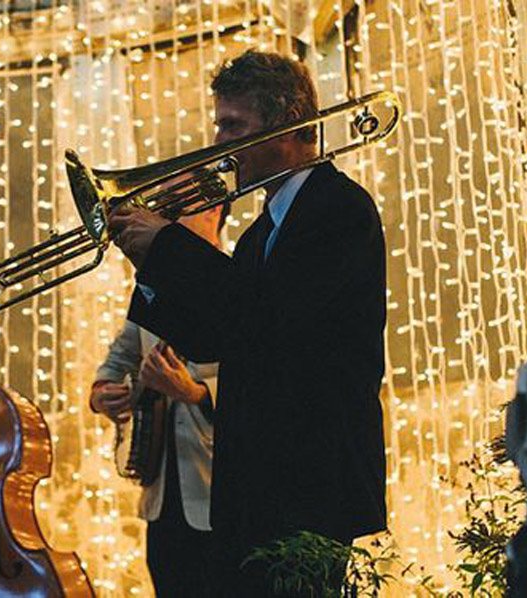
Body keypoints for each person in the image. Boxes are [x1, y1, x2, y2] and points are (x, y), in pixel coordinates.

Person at [109, 50, 387, 595]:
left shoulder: (340, 209)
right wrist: (149, 265)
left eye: (232, 125)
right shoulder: (261, 232)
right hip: (259, 482)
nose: (218, 142)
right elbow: (216, 336)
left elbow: (272, 321)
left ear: (285, 123)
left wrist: (167, 247)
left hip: (312, 477)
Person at [91, 203, 226, 598]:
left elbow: (263, 380)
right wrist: (104, 397)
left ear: (214, 212)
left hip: (219, 490)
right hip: (161, 496)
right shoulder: (153, 291)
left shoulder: (237, 283)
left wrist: (194, 392)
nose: (164, 219)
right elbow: (115, 363)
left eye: (179, 209)